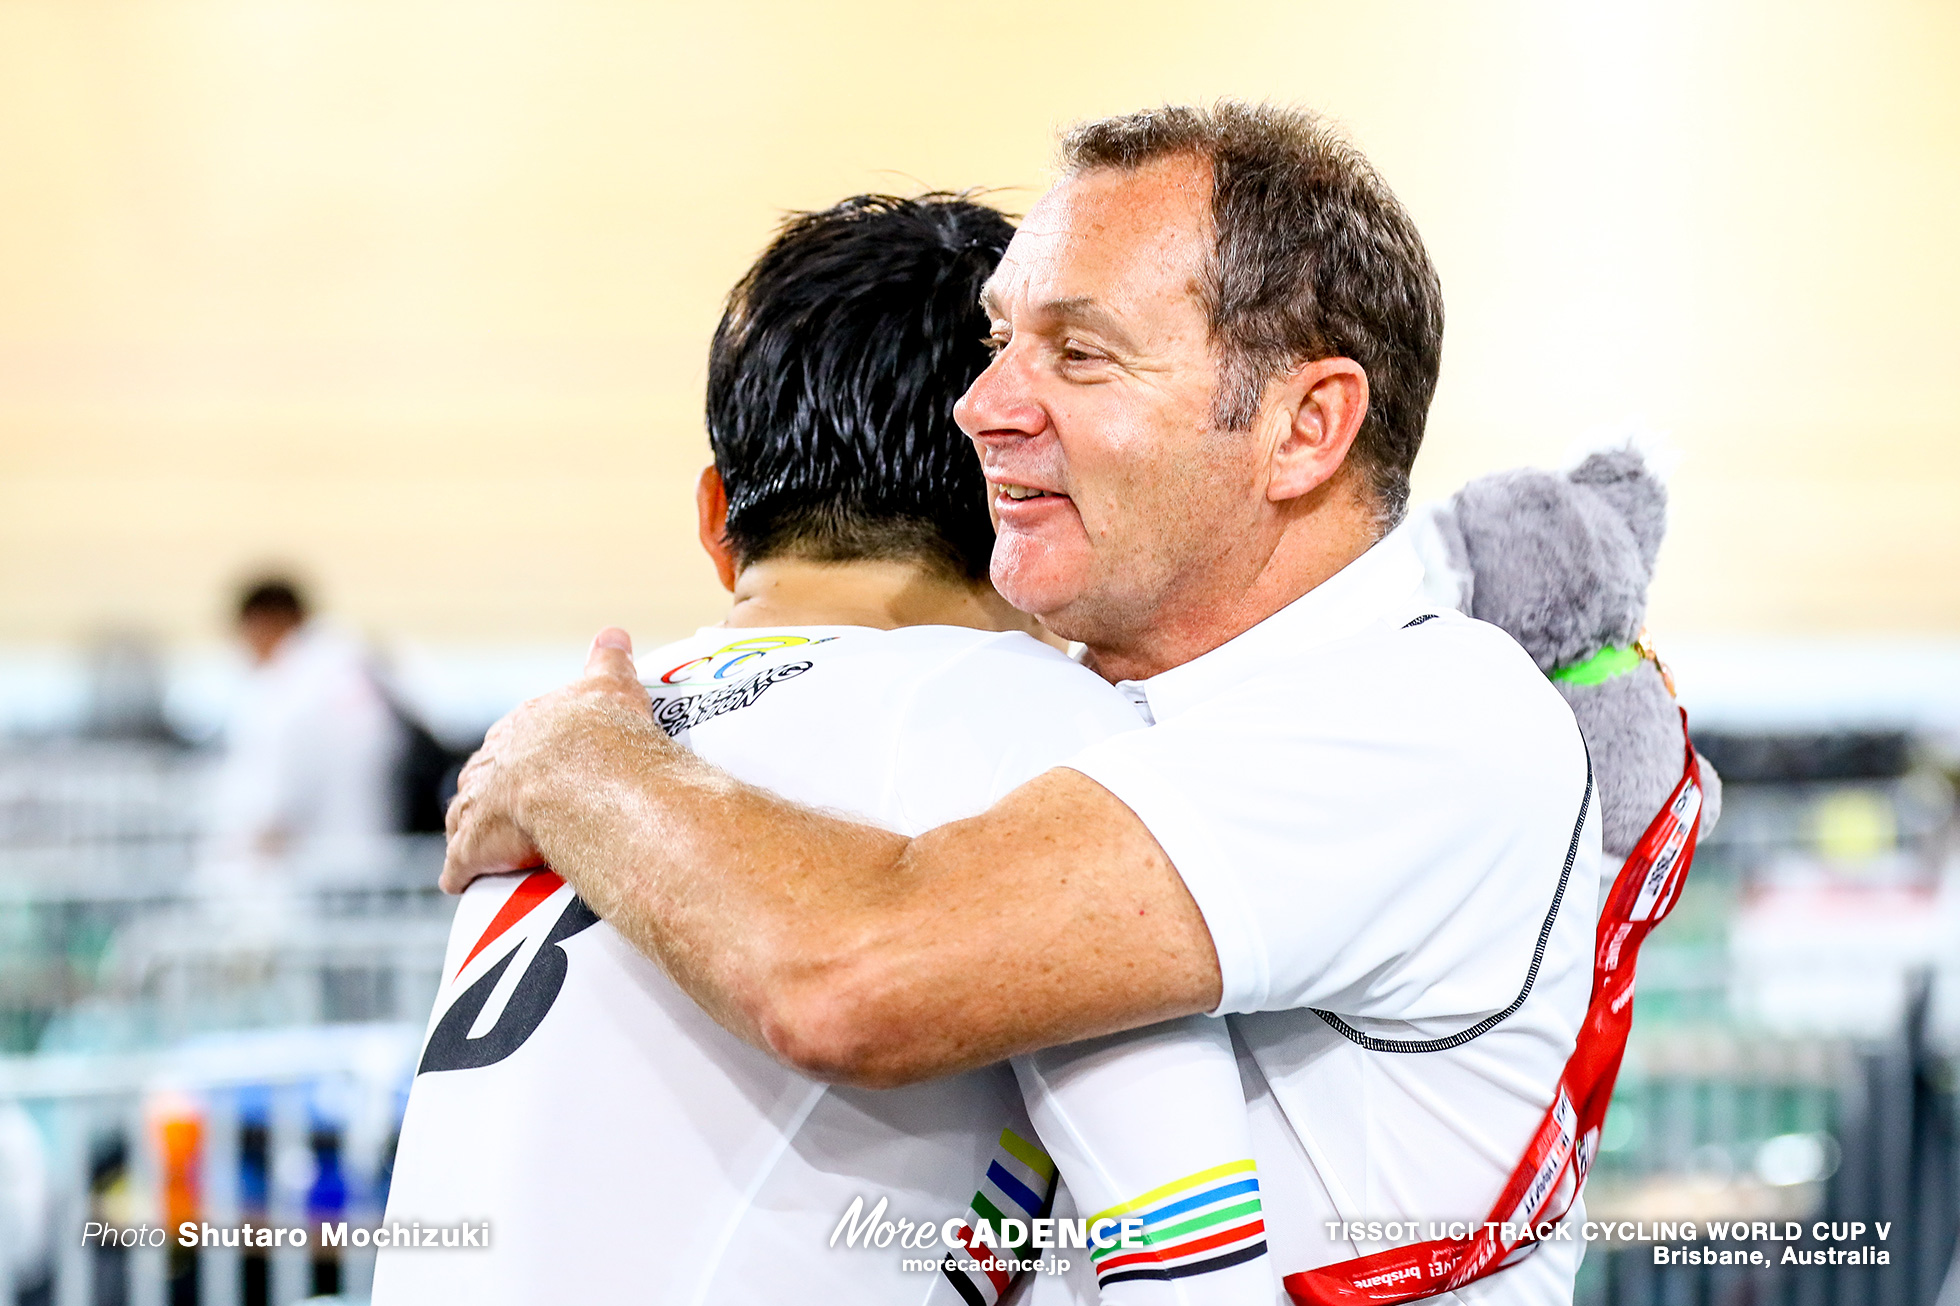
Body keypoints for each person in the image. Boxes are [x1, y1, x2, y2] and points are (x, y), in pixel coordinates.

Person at [443, 104, 1600, 1305]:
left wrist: (572, 758)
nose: (980, 404)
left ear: (1303, 427)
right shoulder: (1051, 709)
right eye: (999, 340)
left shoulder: (1426, 715)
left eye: (1078, 352)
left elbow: (853, 975)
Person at [378, 194, 1272, 1305]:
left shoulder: (574, 734)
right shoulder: (1027, 716)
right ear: (1028, 489)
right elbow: (1192, 1248)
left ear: (715, 516)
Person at [202, 577, 402, 891]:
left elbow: (276, 801)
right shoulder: (354, 666)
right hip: (370, 853)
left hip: (317, 872)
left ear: (265, 623)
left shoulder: (294, 691)